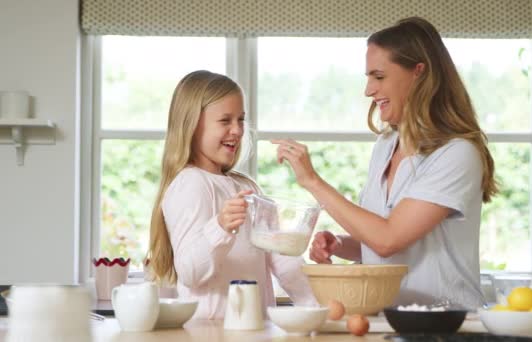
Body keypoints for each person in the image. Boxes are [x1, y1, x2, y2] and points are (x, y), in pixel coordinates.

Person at [272, 17, 498, 310]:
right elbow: (379, 240)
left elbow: (389, 240)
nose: (368, 90)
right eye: (368, 77)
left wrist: (312, 181)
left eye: (379, 77)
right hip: (388, 320)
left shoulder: (456, 153)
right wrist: (343, 244)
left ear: (419, 73)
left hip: (446, 323)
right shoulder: (386, 145)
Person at [148, 70, 316, 319]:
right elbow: (190, 273)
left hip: (255, 332)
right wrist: (220, 227)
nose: (237, 130)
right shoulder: (190, 184)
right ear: (192, 125)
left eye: (241, 119)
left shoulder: (244, 186)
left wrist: (317, 307)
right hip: (209, 334)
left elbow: (283, 260)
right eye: (225, 120)